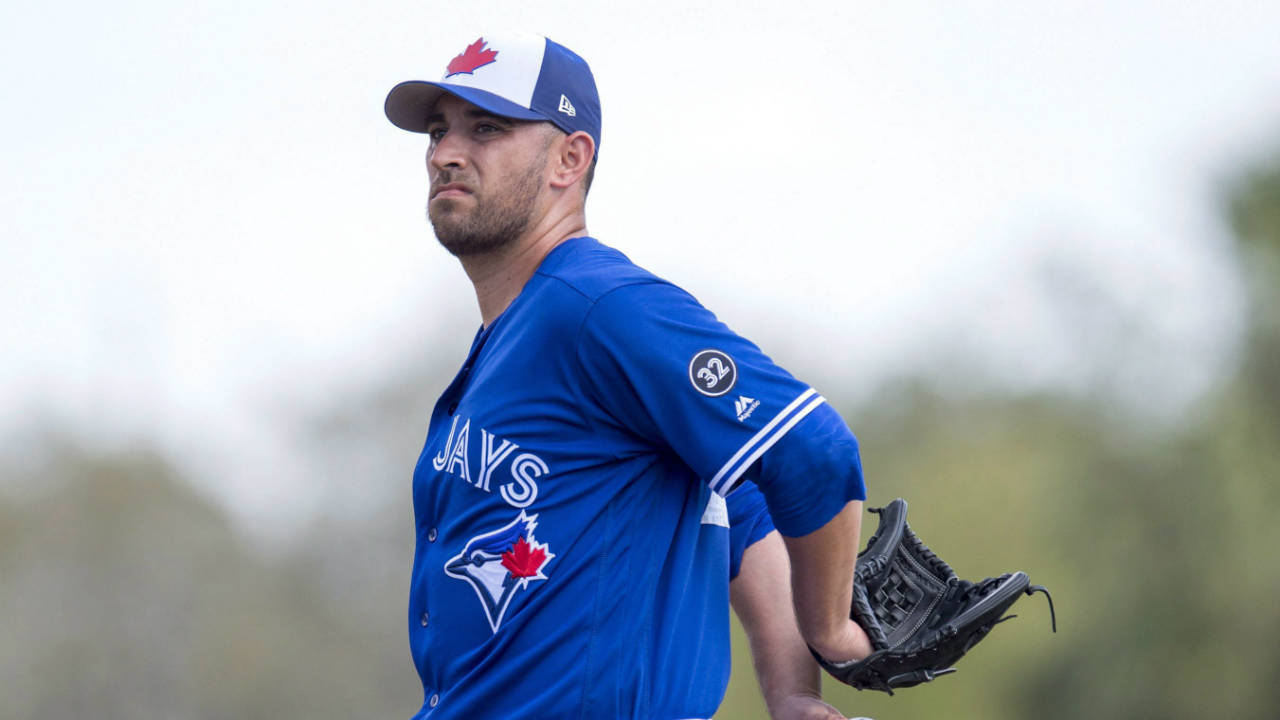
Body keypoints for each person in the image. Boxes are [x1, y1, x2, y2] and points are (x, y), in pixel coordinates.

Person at [384, 32, 872, 720]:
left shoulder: (598, 306)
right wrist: (791, 692)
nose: (445, 154)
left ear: (569, 158)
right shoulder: (515, 332)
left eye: (486, 128)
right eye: (438, 132)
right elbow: (733, 503)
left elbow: (811, 450)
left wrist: (827, 630)